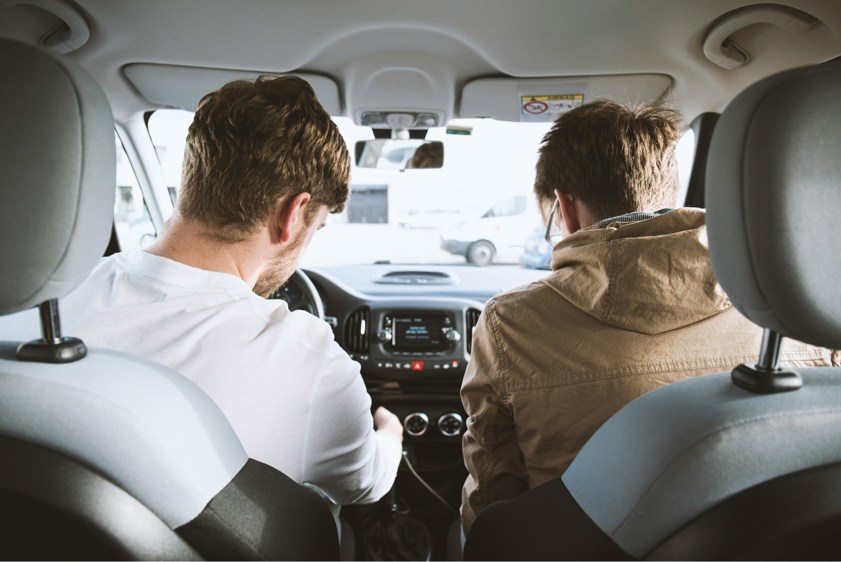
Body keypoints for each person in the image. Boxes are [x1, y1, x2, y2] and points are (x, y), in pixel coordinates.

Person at [459, 99, 836, 535]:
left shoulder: (510, 322)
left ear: (564, 206)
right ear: (667, 196)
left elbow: (492, 487)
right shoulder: (799, 306)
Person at [41, 76, 403, 506]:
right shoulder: (310, 361)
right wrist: (391, 431)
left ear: (195, 180)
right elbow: (364, 485)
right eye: (316, 228)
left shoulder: (43, 305)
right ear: (293, 214)